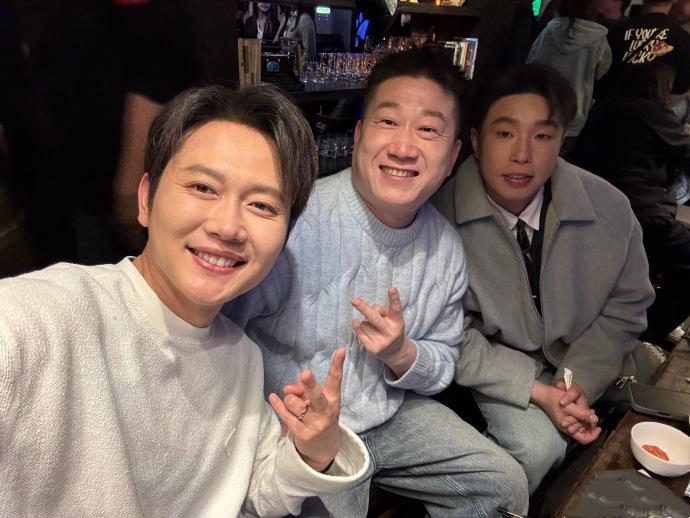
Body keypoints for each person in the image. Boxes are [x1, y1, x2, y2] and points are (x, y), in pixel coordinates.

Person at [0, 84, 369, 517]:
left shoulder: (241, 358)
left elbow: (251, 491)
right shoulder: (47, 317)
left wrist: (314, 451)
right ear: (146, 199)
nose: (228, 226)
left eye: (262, 206)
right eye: (203, 187)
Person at [224, 47, 529, 518]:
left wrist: (401, 353)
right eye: (388, 122)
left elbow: (445, 359)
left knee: (503, 485)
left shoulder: (445, 247)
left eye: (428, 130)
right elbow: (223, 336)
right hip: (298, 425)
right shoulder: (295, 223)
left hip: (391, 413)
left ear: (452, 155)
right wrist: (271, 419)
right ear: (359, 133)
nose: (404, 147)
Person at [433, 64, 655, 494]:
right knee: (537, 448)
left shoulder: (609, 207)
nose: (522, 155)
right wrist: (537, 391)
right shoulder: (438, 220)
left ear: (562, 141)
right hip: (506, 366)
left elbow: (627, 306)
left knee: (657, 405)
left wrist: (576, 384)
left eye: (542, 136)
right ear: (475, 141)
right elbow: (447, 333)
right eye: (504, 133)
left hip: (590, 359)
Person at [572, 61, 690, 342]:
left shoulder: (605, 107)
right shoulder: (653, 113)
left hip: (595, 212)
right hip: (641, 216)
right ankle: (647, 332)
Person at [527, 0, 611, 153]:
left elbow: (532, 64)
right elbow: (602, 72)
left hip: (544, 106)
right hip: (575, 114)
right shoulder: (598, 39)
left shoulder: (549, 32)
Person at [596, 0, 690, 100]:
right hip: (656, 105)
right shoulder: (682, 38)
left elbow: (600, 78)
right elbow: (682, 84)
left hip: (612, 104)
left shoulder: (615, 31)